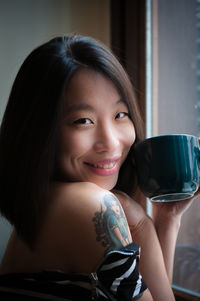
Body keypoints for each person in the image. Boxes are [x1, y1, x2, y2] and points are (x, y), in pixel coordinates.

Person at [0, 34, 198, 300]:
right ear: (39, 132)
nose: (111, 141)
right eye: (83, 120)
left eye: (120, 115)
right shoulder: (91, 205)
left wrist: (168, 217)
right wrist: (140, 221)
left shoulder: (49, 203)